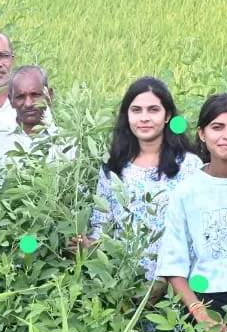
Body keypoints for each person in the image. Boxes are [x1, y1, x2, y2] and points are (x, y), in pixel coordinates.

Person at [154, 93, 227, 332]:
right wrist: (201, 315)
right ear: (201, 133)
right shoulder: (186, 191)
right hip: (205, 299)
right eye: (217, 127)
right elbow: (173, 266)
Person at [69, 77, 202, 281]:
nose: (144, 118)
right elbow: (103, 224)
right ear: (127, 116)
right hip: (124, 282)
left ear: (167, 115)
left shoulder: (189, 166)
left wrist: (168, 282)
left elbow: (198, 230)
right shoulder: (113, 168)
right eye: (136, 110)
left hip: (177, 284)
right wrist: (88, 246)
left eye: (153, 110)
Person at [0, 65, 73, 164]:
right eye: (20, 97)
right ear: (11, 100)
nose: (28, 104)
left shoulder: (68, 143)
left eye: (35, 95)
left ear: (49, 96)